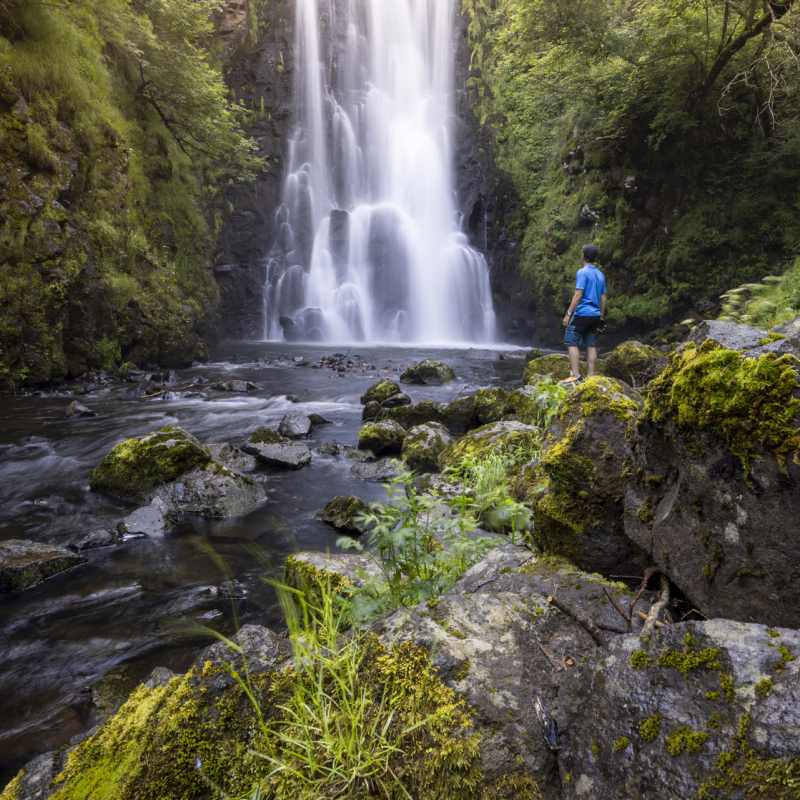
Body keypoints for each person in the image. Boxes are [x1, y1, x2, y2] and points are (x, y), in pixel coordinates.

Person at [560, 244, 606, 385]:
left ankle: (576, 376)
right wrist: (601, 319)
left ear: (582, 256)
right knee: (590, 344)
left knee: (570, 341)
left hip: (582, 313)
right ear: (595, 258)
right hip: (595, 315)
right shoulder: (600, 274)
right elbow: (603, 298)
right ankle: (591, 377)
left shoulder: (582, 272)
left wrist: (568, 314)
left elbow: (578, 295)